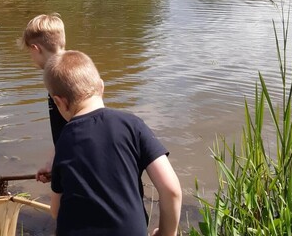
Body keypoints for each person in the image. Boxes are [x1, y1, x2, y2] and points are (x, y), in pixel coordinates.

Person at [44, 50, 182, 236]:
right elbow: (171, 190)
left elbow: (55, 211)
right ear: (101, 86)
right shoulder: (133, 125)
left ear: (59, 102)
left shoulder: (65, 138)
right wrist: (167, 233)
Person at [18, 13, 67, 183]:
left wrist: (61, 166)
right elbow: (66, 128)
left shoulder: (57, 78)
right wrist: (52, 162)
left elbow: (76, 126)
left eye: (30, 53)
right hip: (70, 156)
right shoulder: (77, 69)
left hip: (73, 161)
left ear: (35, 49)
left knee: (58, 209)